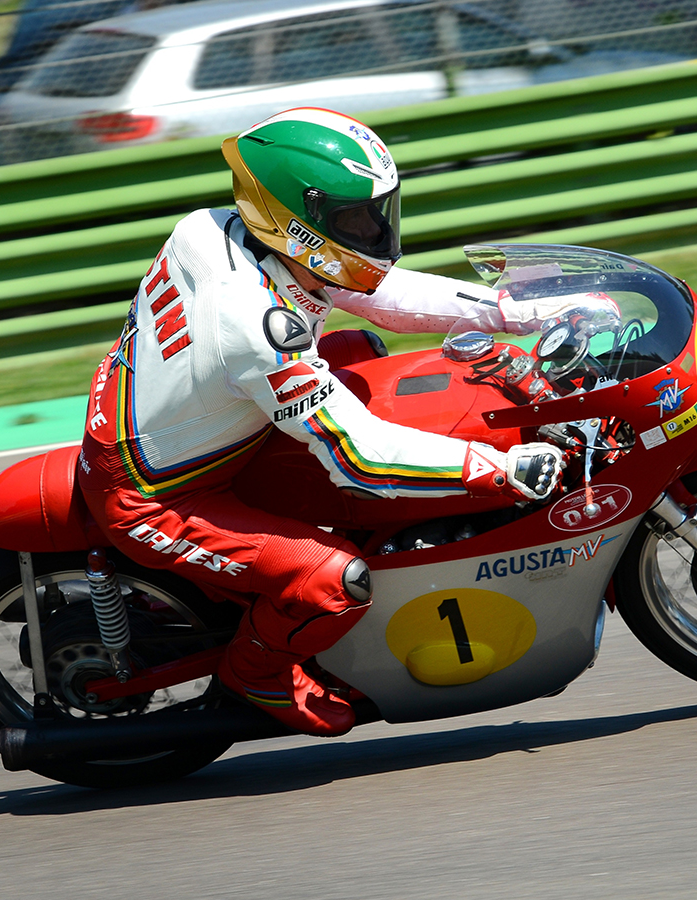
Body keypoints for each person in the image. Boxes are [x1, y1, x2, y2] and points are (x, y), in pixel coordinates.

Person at [77, 108, 563, 737]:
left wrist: (514, 310)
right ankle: (255, 672)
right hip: (154, 493)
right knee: (334, 580)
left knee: (361, 351)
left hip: (190, 421)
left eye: (377, 213)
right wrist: (498, 469)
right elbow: (362, 459)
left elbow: (383, 295)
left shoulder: (214, 229)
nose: (373, 230)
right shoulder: (256, 325)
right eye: (353, 218)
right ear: (294, 219)